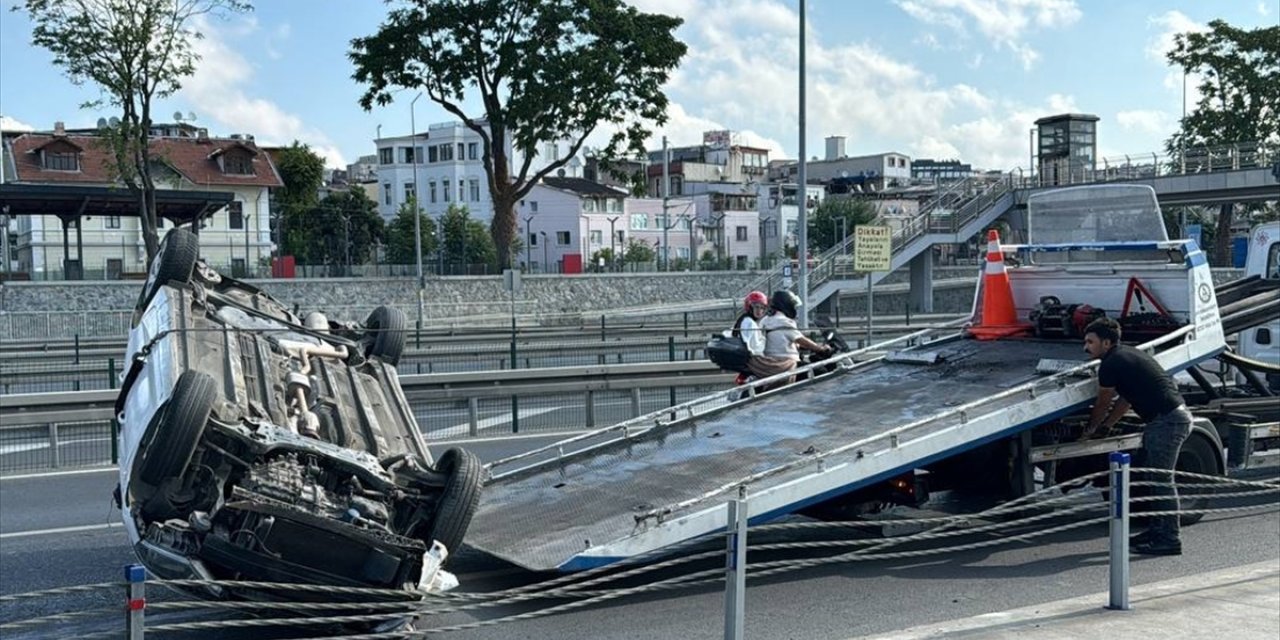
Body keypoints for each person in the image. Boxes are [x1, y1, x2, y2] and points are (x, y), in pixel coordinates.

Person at [1082, 317, 1190, 556]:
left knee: (1162, 480)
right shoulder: (1127, 355)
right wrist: (1108, 426)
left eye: (1090, 341)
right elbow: (1125, 400)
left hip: (1167, 421)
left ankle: (1170, 538)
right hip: (1168, 419)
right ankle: (1157, 530)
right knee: (1154, 477)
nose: (1085, 347)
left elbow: (1103, 402)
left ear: (1106, 342)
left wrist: (1091, 429)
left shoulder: (1110, 364)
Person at [751, 290, 830, 388]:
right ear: (786, 304)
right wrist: (820, 348)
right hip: (785, 363)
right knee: (821, 371)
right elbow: (801, 340)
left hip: (771, 362)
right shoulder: (783, 321)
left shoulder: (766, 320)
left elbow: (782, 339)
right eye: (792, 305)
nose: (794, 308)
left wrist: (800, 347)